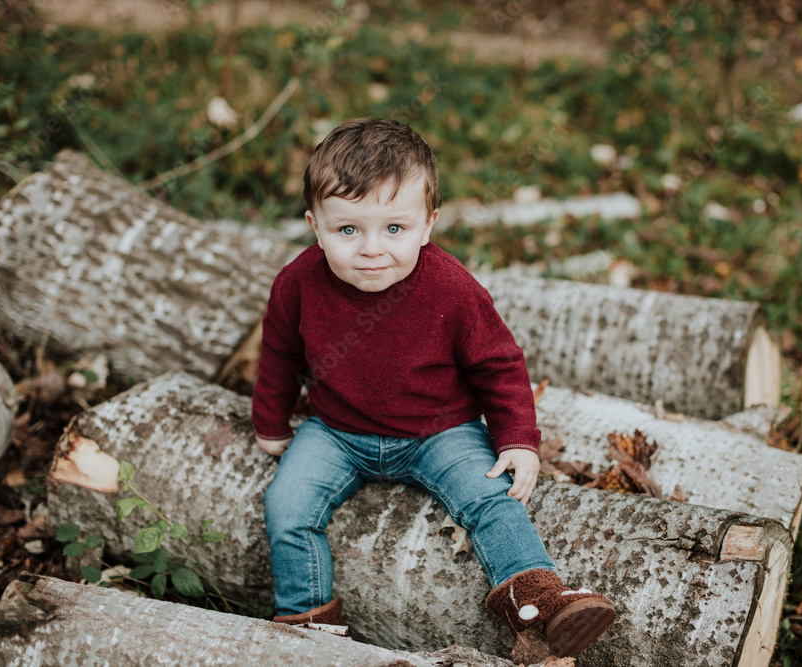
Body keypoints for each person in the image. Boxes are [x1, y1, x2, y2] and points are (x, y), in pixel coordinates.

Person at [252, 117, 616, 657]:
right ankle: (307, 623)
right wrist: (271, 422)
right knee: (285, 505)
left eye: (394, 229)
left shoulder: (451, 289)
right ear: (315, 225)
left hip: (439, 430)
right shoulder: (298, 284)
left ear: (428, 224)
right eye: (347, 230)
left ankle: (540, 602)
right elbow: (280, 355)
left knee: (492, 497)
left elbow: (500, 364)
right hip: (335, 430)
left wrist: (517, 438)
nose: (372, 249)